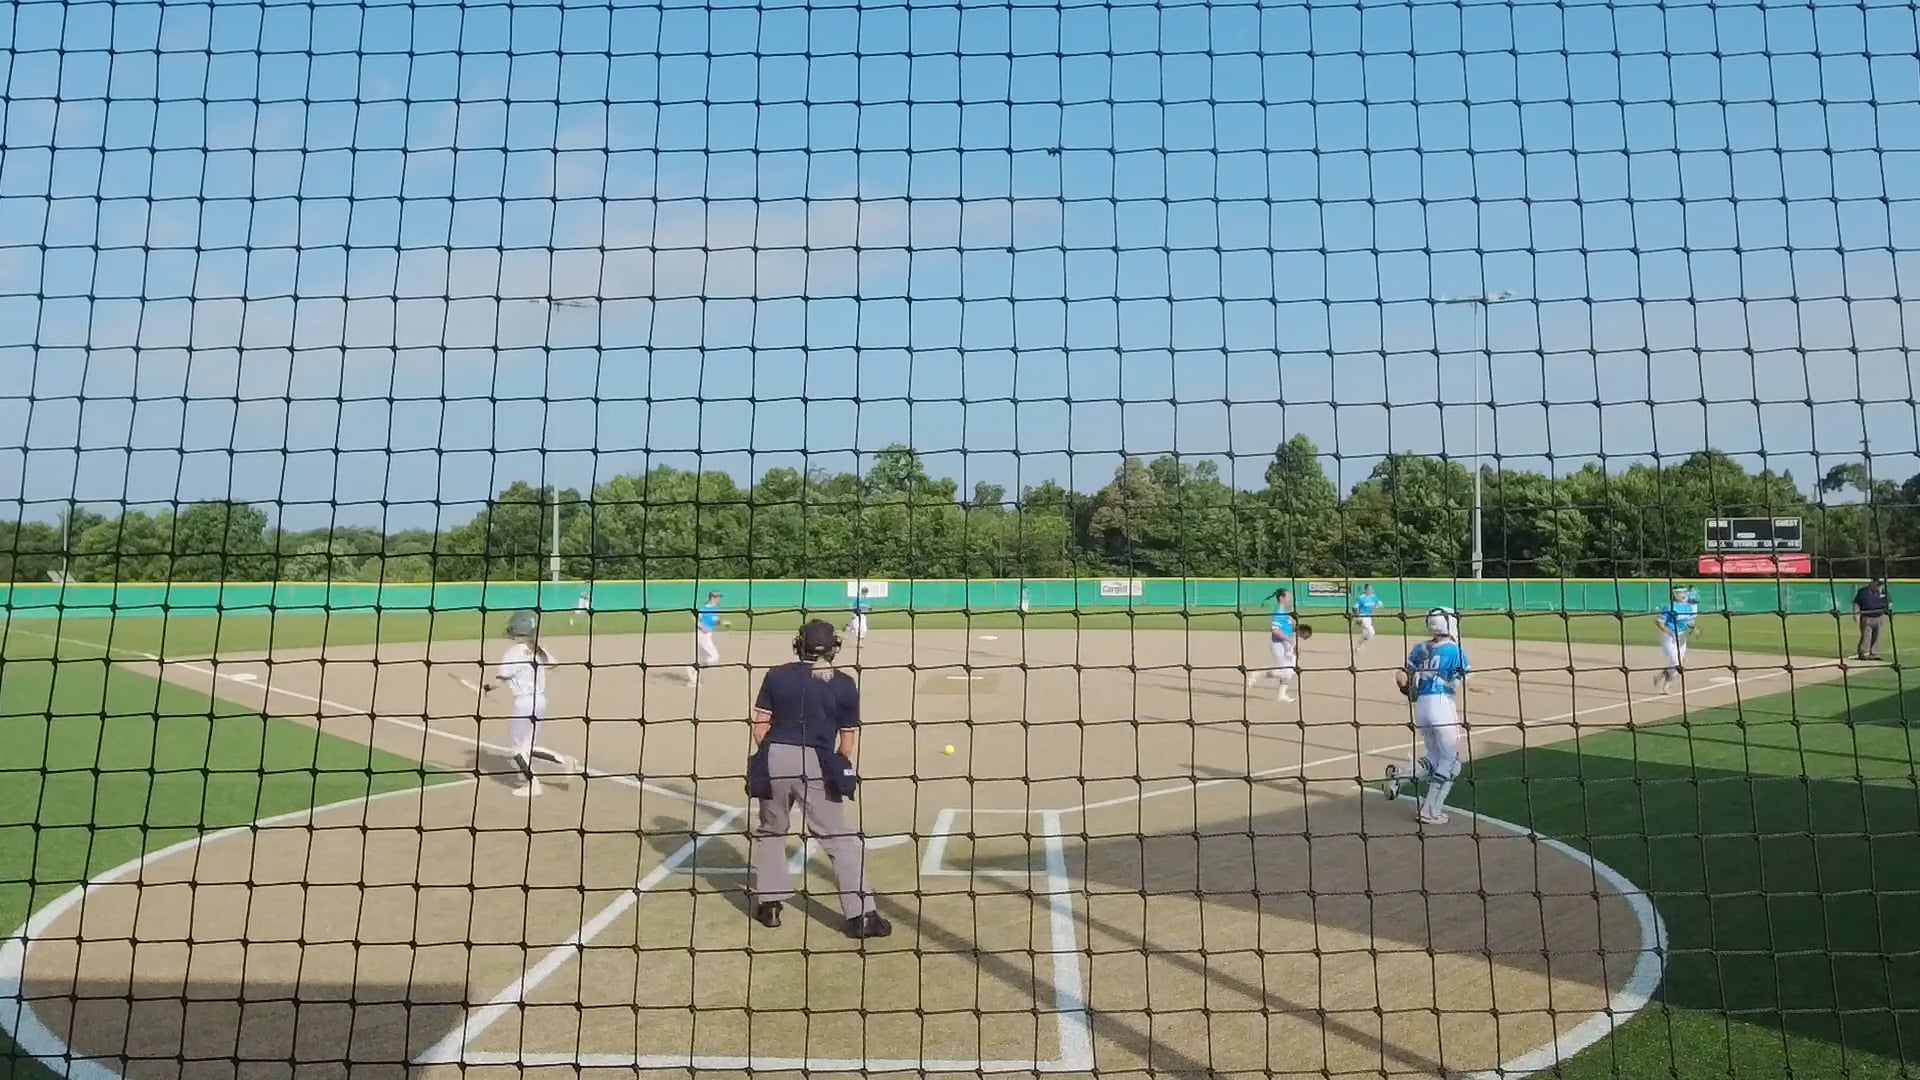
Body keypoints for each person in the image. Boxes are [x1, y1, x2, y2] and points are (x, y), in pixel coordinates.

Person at [745, 620, 891, 939]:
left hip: (774, 756)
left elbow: (760, 728)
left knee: (771, 831)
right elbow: (847, 744)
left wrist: (775, 756)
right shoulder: (844, 683)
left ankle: (770, 906)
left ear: (799, 645)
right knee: (837, 838)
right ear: (834, 648)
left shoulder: (776, 675)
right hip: (818, 761)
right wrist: (832, 766)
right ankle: (862, 916)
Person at [477, 610, 577, 798]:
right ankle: (565, 761)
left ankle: (533, 784)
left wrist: (486, 688)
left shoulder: (512, 653)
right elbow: (554, 664)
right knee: (527, 747)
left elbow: (500, 681)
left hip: (524, 704)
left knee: (517, 750)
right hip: (540, 702)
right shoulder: (537, 649)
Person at [1385, 609, 1470, 826]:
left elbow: (1401, 675)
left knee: (1434, 756)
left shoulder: (1420, 648)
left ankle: (1401, 776)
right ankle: (1430, 811)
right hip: (1442, 706)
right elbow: (1468, 681)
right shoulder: (1455, 651)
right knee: (1451, 763)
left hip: (1422, 707)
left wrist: (1405, 686)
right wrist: (1487, 689)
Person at [1246, 588, 1298, 703]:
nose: (1290, 599)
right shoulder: (1278, 612)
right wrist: (1288, 639)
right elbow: (1275, 631)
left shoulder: (1285, 613)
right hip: (1279, 645)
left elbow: (1287, 629)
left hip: (1287, 645)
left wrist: (1298, 630)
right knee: (1286, 671)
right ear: (1281, 598)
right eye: (1288, 596)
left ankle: (1282, 695)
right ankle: (1257, 673)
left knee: (1290, 671)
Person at [1654, 584, 1697, 693]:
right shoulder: (1670, 607)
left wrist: (1693, 628)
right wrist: (1670, 632)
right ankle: (1666, 686)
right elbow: (1659, 622)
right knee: (1676, 662)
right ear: (1675, 594)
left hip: (1682, 636)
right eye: (1680, 592)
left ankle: (1662, 677)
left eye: (1684, 592)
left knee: (1678, 662)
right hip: (1669, 636)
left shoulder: (1687, 607)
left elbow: (1689, 622)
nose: (1683, 594)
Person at [685, 590, 723, 684]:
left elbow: (715, 622)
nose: (719, 600)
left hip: (707, 636)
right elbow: (695, 618)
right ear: (713, 598)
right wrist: (702, 626)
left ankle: (694, 677)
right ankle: (691, 668)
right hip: (702, 635)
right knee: (714, 657)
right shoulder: (704, 609)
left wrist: (722, 623)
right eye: (718, 597)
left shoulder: (714, 610)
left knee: (705, 659)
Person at [1854, 578, 1891, 661]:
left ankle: (1875, 653)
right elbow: (1856, 603)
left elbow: (1889, 602)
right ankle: (1863, 653)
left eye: (1880, 585)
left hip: (1879, 617)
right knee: (1866, 636)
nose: (1879, 586)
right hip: (1867, 617)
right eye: (1877, 584)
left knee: (1877, 635)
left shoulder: (1883, 592)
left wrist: (1887, 609)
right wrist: (1856, 614)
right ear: (1872, 583)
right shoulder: (1863, 592)